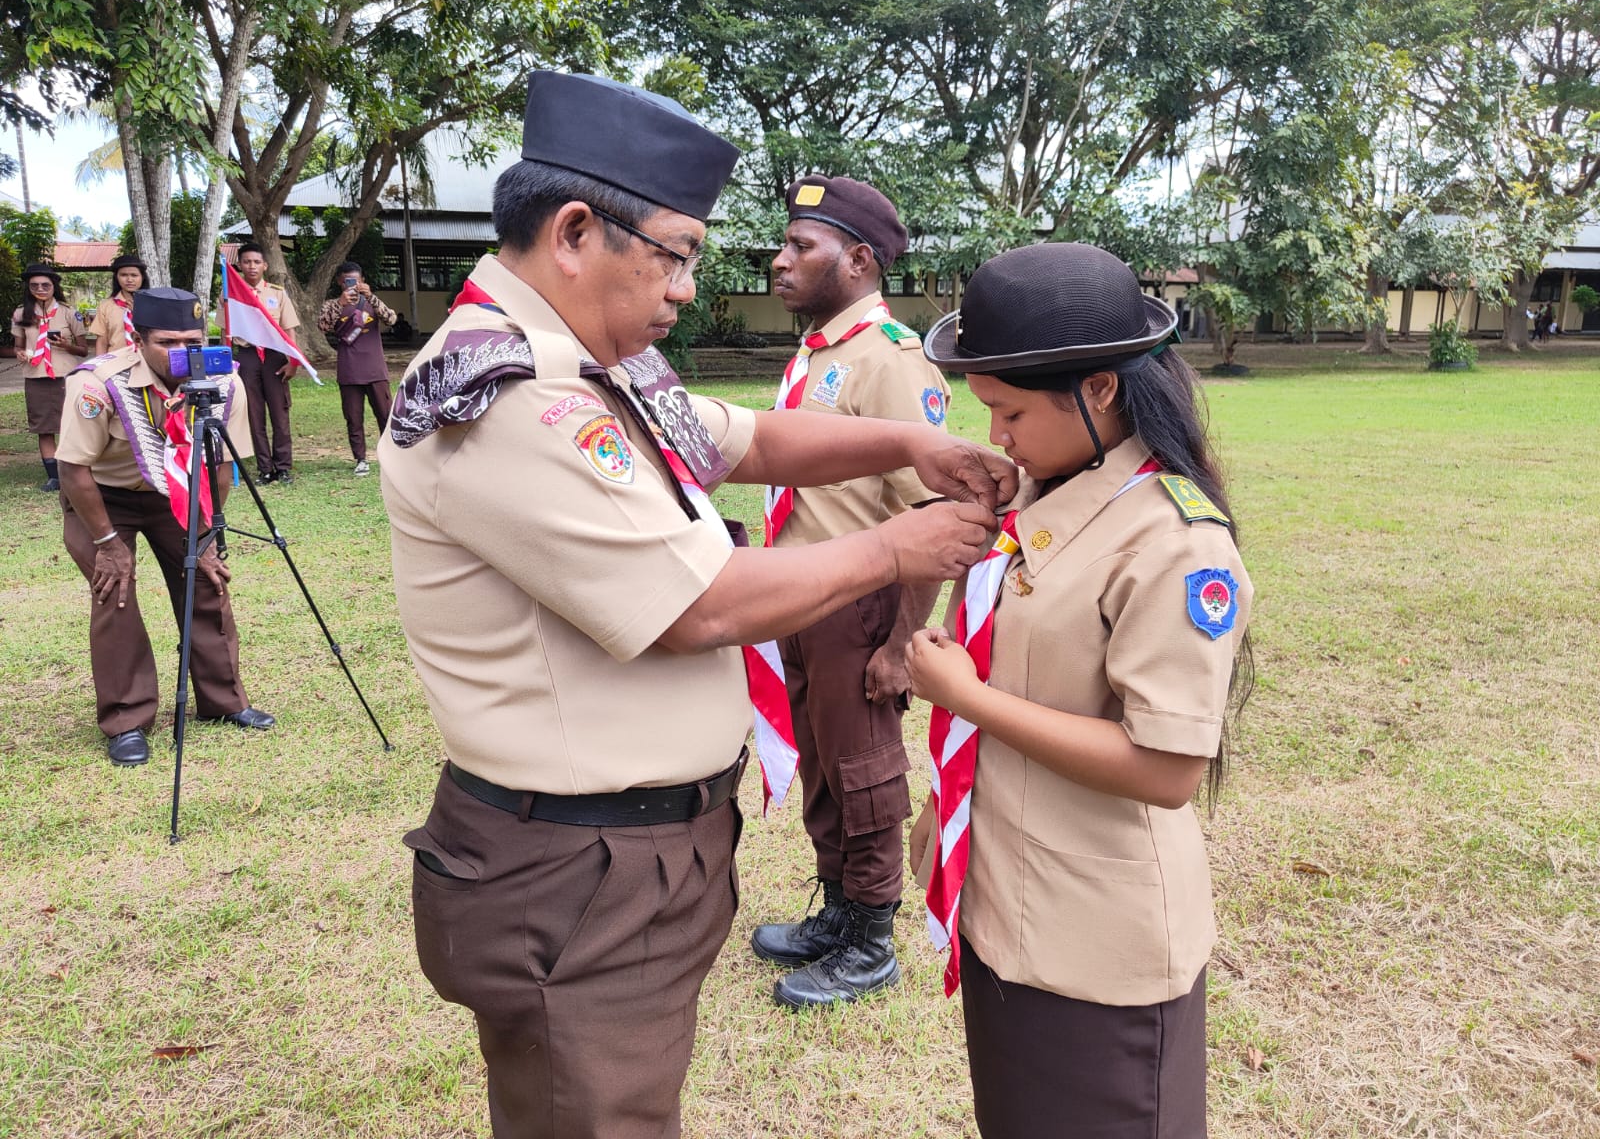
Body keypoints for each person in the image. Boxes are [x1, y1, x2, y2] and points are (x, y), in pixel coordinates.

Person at [378, 69, 1015, 1139]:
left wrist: (910, 441)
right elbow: (700, 607)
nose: (685, 286)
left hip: (623, 851)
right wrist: (903, 540)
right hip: (576, 867)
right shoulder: (514, 397)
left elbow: (754, 440)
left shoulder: (593, 367)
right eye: (676, 253)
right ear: (577, 231)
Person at [904, 243, 1255, 1138]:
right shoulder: (1045, 501)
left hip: (1097, 942)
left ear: (1100, 390)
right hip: (1006, 906)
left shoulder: (1174, 544)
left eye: (1011, 413)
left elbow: (1167, 768)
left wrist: (967, 699)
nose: (997, 438)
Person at [748, 175, 953, 1009]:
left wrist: (902, 641)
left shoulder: (891, 359)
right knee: (828, 769)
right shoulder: (819, 354)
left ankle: (872, 937)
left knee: (865, 770)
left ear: (861, 259)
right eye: (785, 242)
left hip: (860, 605)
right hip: (801, 595)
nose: (779, 258)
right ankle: (838, 911)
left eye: (802, 246)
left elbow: (938, 513)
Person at [56, 287, 276, 767]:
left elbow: (220, 465)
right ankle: (127, 719)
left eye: (193, 342)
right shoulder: (98, 384)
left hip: (176, 492)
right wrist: (108, 543)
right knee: (114, 592)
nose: (183, 355)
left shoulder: (225, 381)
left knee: (206, 582)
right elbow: (73, 469)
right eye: (169, 343)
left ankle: (223, 702)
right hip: (102, 498)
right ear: (137, 338)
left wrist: (208, 534)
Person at [228, 243, 303, 485]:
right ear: (239, 265)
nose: (251, 266)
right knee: (254, 413)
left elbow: (289, 329)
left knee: (280, 413)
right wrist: (228, 364)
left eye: (256, 262)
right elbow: (225, 333)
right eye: (247, 262)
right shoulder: (231, 294)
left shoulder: (277, 293)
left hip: (274, 357)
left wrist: (293, 363)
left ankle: (282, 467)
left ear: (265, 266)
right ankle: (265, 469)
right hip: (247, 357)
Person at [12, 263, 90, 491]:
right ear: (29, 288)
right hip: (36, 377)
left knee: (72, 425)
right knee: (44, 428)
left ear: (54, 287)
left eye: (46, 285)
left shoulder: (68, 312)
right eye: (35, 285)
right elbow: (17, 345)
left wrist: (66, 345)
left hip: (66, 377)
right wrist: (20, 352)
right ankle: (53, 476)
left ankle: (74, 472)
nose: (41, 289)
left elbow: (84, 349)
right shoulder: (20, 314)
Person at [318, 260, 396, 476]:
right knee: (353, 417)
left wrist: (370, 296)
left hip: (375, 369)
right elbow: (322, 326)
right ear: (339, 283)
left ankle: (392, 456)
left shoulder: (371, 302)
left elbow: (391, 318)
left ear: (363, 281)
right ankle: (360, 459)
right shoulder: (332, 304)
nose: (351, 285)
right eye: (346, 282)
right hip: (349, 370)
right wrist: (340, 304)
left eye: (355, 281)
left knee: (385, 414)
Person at [86, 254, 149, 356]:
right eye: (124, 275)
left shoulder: (154, 304)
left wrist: (138, 314)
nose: (129, 279)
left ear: (142, 278)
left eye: (134, 275)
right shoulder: (106, 306)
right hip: (116, 363)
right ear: (117, 278)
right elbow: (102, 342)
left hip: (146, 362)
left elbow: (159, 336)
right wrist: (100, 368)